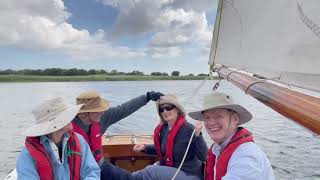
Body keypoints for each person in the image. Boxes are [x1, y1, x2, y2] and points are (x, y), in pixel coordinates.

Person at [72, 90, 163, 180]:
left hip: (99, 166)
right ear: (84, 113)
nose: (103, 112)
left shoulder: (102, 118)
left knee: (128, 178)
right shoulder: (66, 127)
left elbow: (124, 109)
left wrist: (146, 97)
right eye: (98, 110)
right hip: (77, 171)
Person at [188, 92, 275, 180]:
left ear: (235, 119)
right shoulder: (219, 147)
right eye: (207, 117)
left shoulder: (246, 156)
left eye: (218, 116)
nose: (211, 122)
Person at [16, 97, 100, 179]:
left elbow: (91, 172)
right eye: (67, 115)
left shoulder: (79, 140)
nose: (71, 117)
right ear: (55, 123)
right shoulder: (27, 155)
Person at [132, 94, 208, 180]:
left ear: (177, 110)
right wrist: (144, 148)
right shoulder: (164, 129)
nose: (165, 111)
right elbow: (161, 149)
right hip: (171, 169)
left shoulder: (189, 129)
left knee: (150, 170)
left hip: (188, 174)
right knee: (148, 171)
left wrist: (198, 135)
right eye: (161, 109)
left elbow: (204, 156)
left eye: (168, 107)